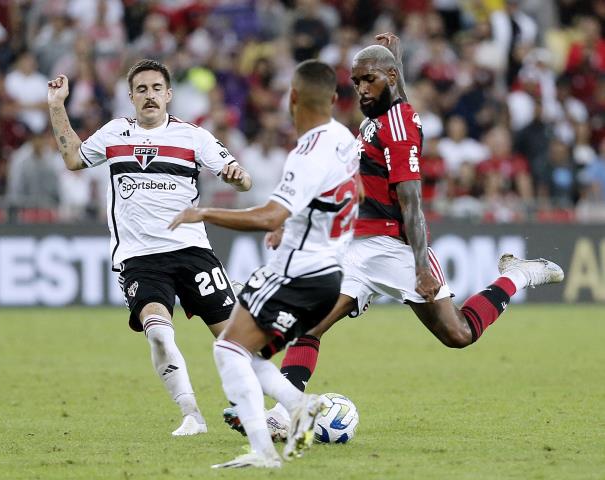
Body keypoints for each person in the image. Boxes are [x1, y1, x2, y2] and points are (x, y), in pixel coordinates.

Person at [223, 33, 565, 439]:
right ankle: (282, 413)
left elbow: (413, 204)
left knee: (458, 334)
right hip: (351, 246)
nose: (361, 89)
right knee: (309, 325)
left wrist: (421, 266)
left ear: (387, 78)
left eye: (368, 80)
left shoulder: (399, 131)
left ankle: (518, 275)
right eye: (356, 82)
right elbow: (389, 101)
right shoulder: (381, 112)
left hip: (393, 248)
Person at [169, 59, 360, 468]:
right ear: (333, 98)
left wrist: (204, 213)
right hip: (329, 274)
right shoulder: (344, 138)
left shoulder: (306, 152)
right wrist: (292, 223)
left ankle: (263, 449)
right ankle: (299, 406)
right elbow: (337, 195)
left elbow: (269, 215)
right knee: (246, 353)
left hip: (296, 272)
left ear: (292, 97)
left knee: (228, 350)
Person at [47, 59, 252, 436]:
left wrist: (238, 177)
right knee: (158, 332)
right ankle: (192, 414)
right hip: (140, 259)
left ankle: (269, 409)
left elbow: (241, 179)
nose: (150, 96)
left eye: (157, 88)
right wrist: (57, 105)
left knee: (235, 340)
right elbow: (74, 158)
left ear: (169, 94)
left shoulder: (194, 137)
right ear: (131, 97)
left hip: (192, 251)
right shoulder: (114, 133)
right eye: (141, 89)